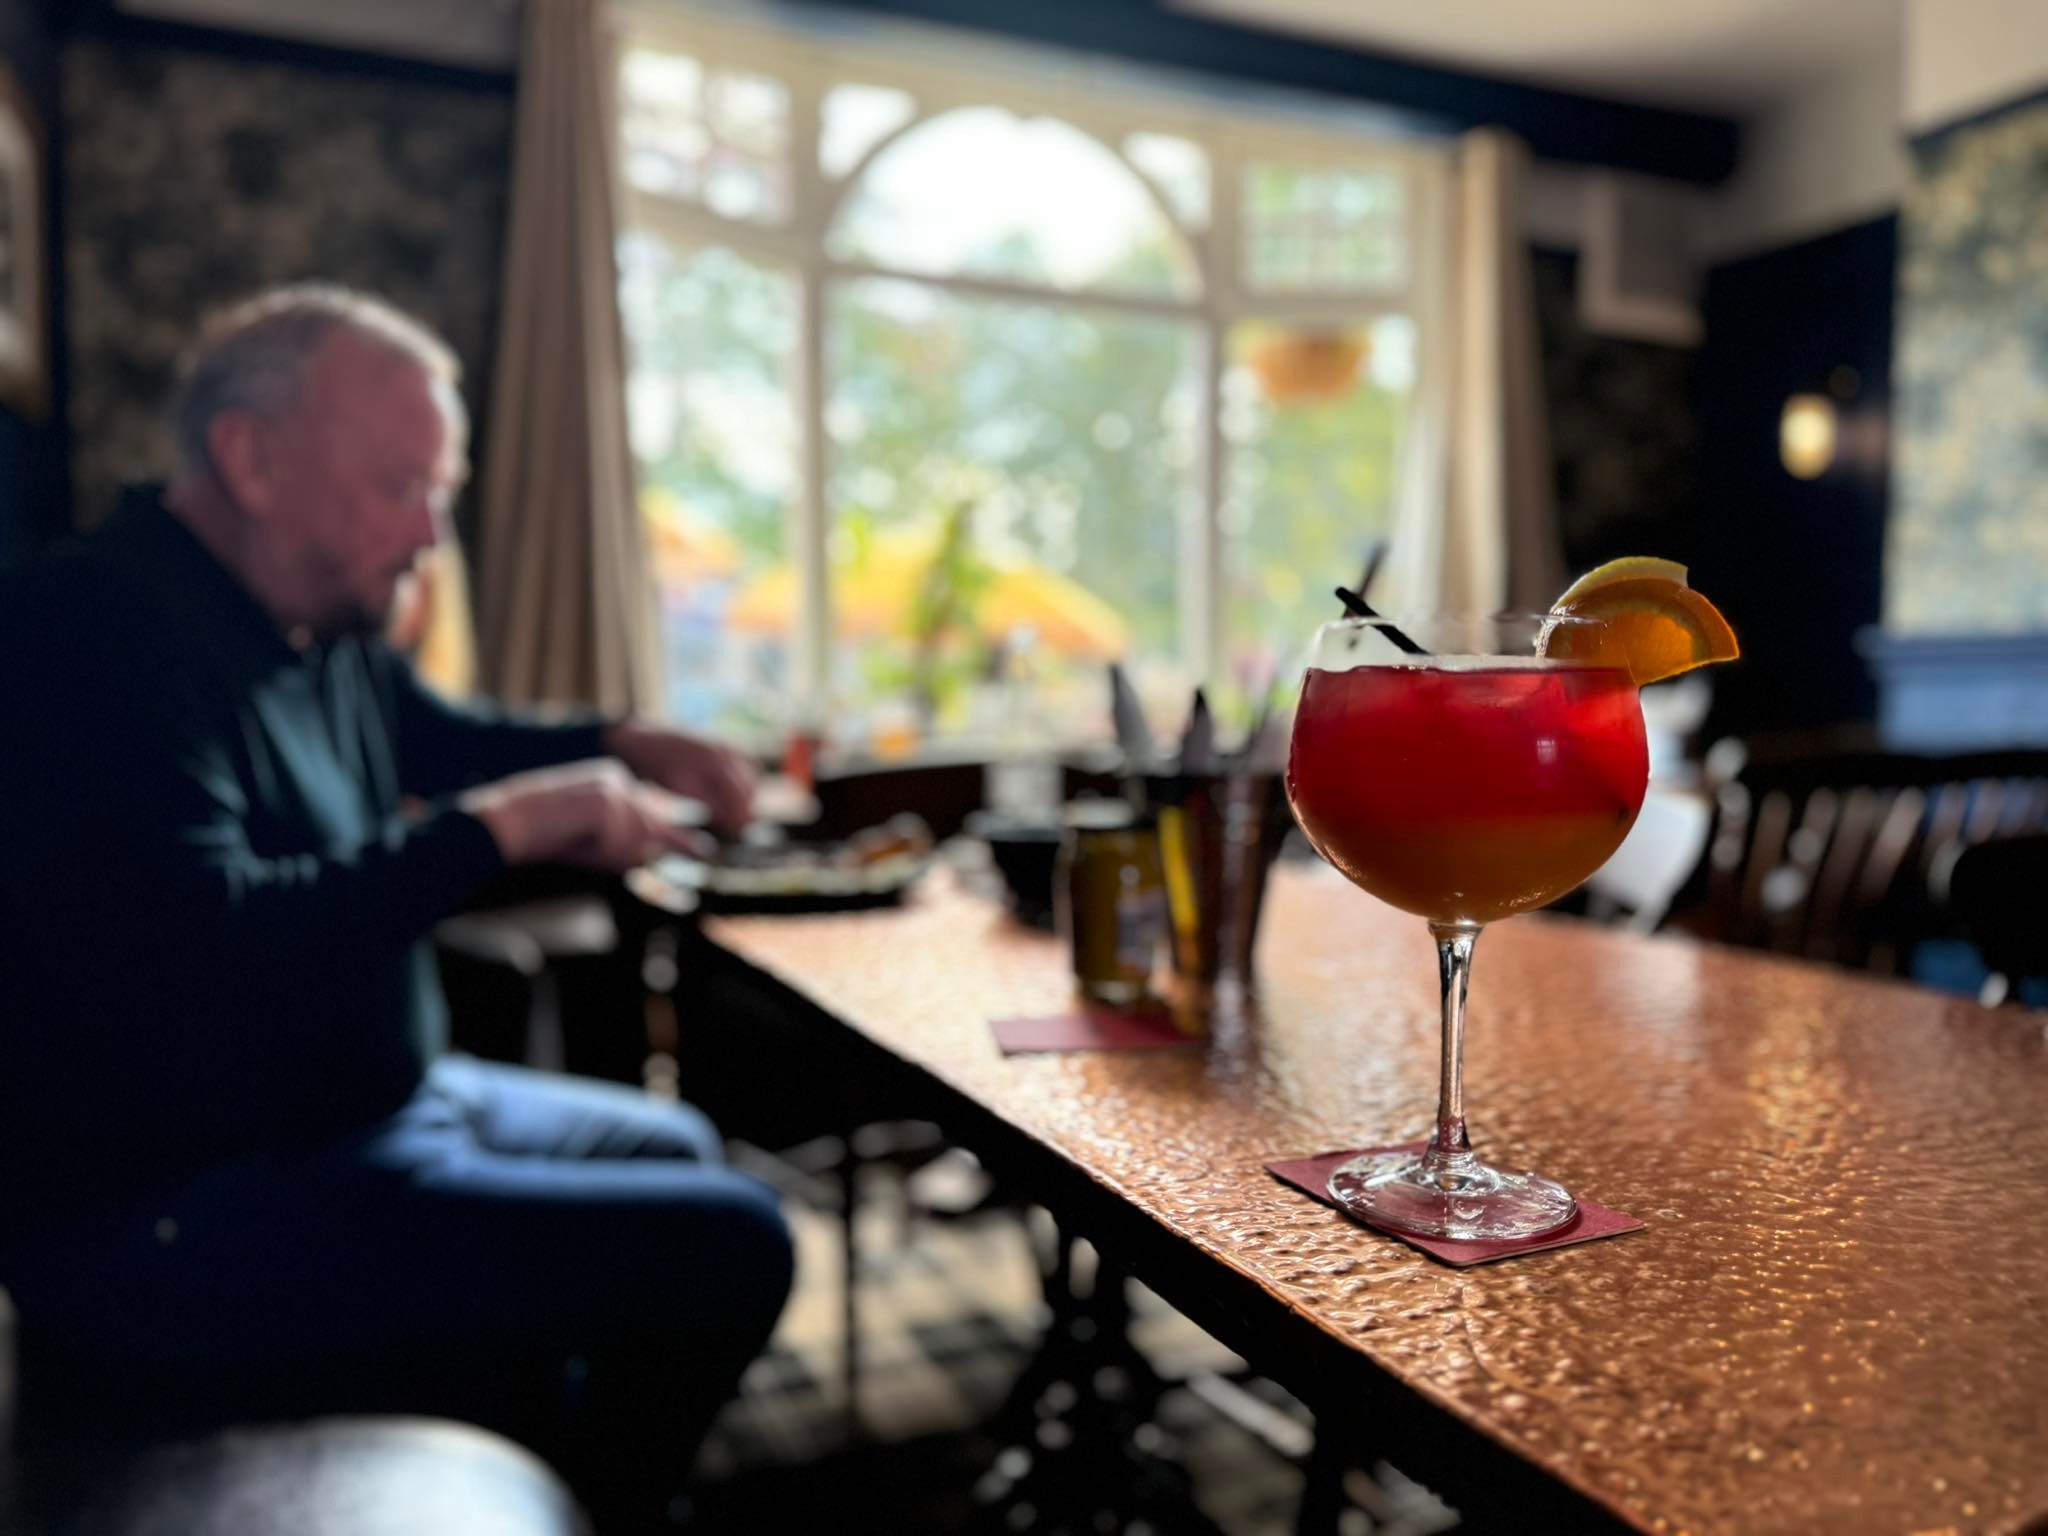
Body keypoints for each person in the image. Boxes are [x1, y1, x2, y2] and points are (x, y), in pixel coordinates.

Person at [0, 286, 793, 1527]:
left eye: (441, 490)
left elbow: (445, 739)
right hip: (192, 1206)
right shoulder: (91, 634)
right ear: (251, 459)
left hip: (376, 1112)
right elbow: (202, 944)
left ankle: (530, 1457)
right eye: (399, 487)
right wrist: (508, 827)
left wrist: (621, 740)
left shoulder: (314, 619)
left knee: (680, 1147)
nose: (430, 533)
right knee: (738, 1241)